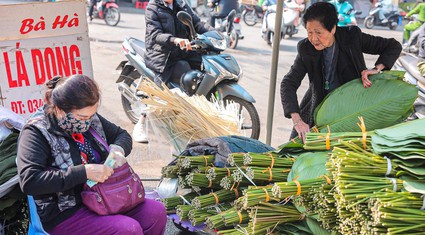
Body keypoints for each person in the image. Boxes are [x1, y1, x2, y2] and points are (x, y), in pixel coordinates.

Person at [17, 75, 167, 234]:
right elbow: (30, 180)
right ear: (60, 110)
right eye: (82, 117)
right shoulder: (36, 131)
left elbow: (121, 135)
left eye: (91, 116)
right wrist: (84, 172)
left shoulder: (88, 118)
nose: (87, 122)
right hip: (67, 211)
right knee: (127, 230)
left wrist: (117, 151)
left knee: (155, 212)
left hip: (106, 196)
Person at [280, 2, 401, 142]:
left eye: (318, 32)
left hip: (352, 110)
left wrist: (375, 69)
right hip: (318, 108)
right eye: (309, 32)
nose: (314, 39)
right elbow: (288, 82)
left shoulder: (352, 37)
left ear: (332, 28)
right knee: (293, 152)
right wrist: (297, 121)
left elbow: (392, 46)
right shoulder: (306, 48)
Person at [133, 0, 213, 143]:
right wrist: (174, 40)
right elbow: (155, 35)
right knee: (159, 93)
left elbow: (197, 23)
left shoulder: (181, 4)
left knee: (201, 73)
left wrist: (215, 33)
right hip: (162, 55)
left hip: (182, 51)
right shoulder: (153, 7)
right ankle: (141, 123)